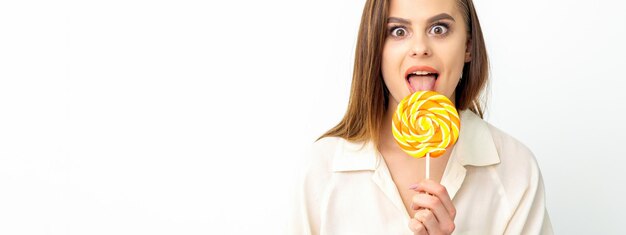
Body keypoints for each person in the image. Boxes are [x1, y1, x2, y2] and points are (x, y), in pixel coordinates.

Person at [290, 0, 553, 234]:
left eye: (439, 29)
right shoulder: (323, 169)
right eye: (398, 31)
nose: (419, 48)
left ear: (468, 47)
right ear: (376, 49)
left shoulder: (514, 169)